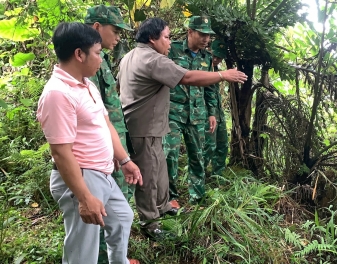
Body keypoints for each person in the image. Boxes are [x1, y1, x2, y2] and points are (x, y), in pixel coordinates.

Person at [117, 17, 247, 240]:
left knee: (159, 170)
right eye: (166, 37)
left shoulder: (130, 55)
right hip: (144, 127)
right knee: (147, 176)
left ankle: (163, 206)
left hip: (151, 126)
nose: (169, 42)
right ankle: (150, 223)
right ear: (152, 38)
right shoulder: (153, 59)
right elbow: (186, 77)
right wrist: (222, 75)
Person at [36, 22, 142, 264]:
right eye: (97, 53)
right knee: (83, 250)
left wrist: (125, 160)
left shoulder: (87, 85)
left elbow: (106, 125)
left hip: (102, 173)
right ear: (79, 54)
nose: (100, 59)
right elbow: (61, 153)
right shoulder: (58, 94)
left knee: (122, 217)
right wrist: (84, 197)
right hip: (82, 177)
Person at [84, 5, 137, 264]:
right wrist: (111, 150)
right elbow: (92, 116)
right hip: (99, 150)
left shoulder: (101, 57)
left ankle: (117, 257)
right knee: (102, 209)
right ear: (96, 28)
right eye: (115, 31)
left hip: (112, 142)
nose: (118, 38)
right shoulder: (85, 61)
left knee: (120, 209)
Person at [164, 15, 218, 208]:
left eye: (208, 35)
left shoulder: (207, 57)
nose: (206, 39)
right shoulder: (173, 50)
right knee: (170, 154)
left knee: (198, 155)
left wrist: (212, 113)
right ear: (190, 32)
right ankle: (170, 196)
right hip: (173, 111)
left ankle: (197, 195)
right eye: (202, 34)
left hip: (197, 114)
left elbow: (211, 87)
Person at [204, 39, 229, 178]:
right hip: (206, 114)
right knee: (208, 146)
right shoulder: (202, 69)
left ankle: (217, 175)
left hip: (218, 113)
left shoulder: (217, 70)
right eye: (214, 56)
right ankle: (198, 176)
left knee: (223, 144)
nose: (215, 59)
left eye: (219, 58)